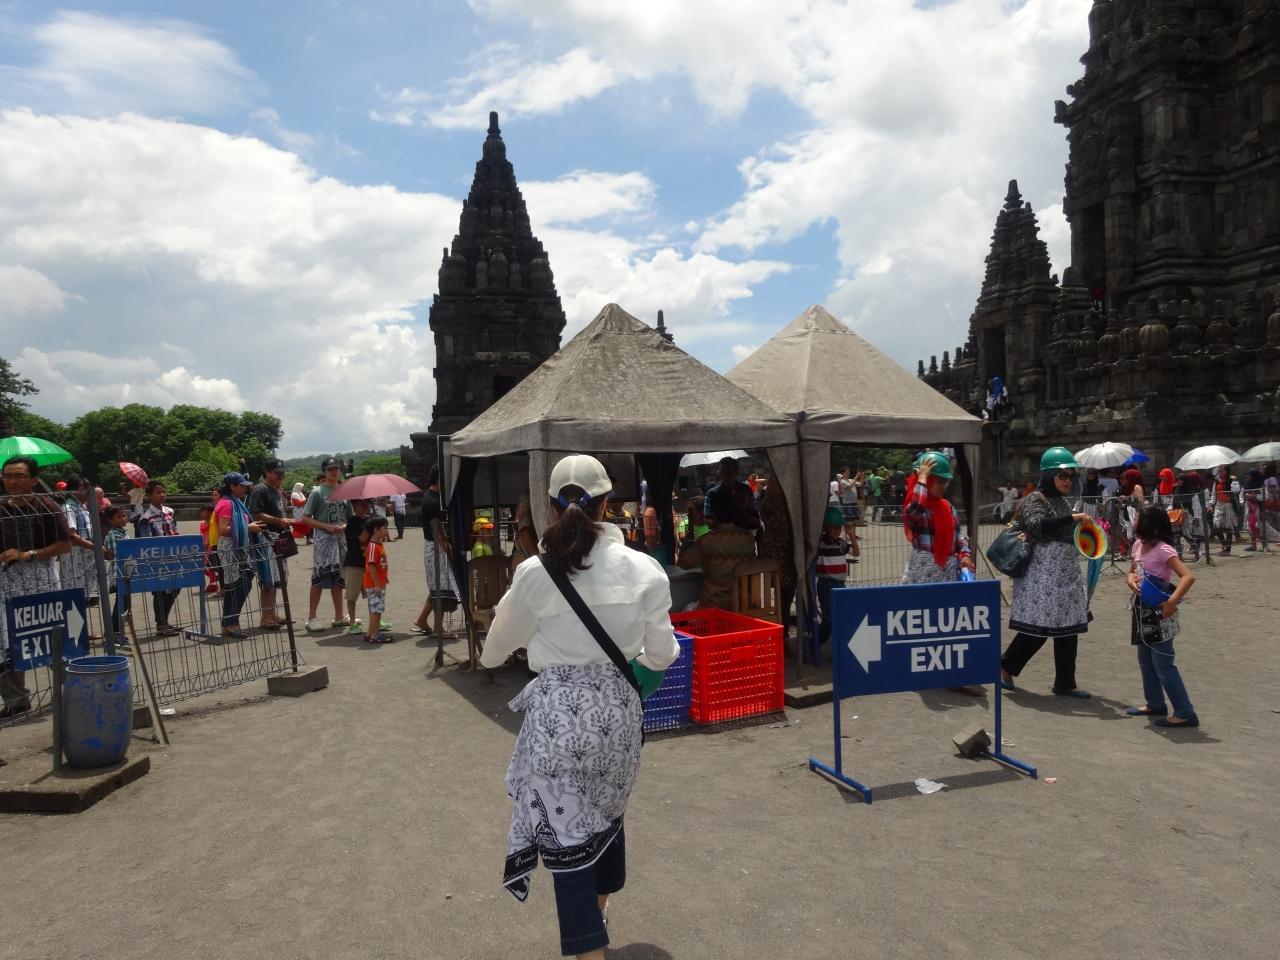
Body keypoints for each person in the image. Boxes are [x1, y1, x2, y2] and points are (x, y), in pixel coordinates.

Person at [479, 454, 678, 959]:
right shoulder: (644, 568)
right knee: (607, 811)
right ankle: (601, 909)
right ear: (608, 503)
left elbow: (493, 653)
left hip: (558, 724)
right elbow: (662, 654)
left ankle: (589, 950)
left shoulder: (534, 573)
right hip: (619, 716)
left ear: (549, 506)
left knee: (568, 842)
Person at [999, 447, 1096, 698]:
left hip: (1066, 574)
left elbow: (1068, 534)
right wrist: (1072, 519)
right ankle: (1005, 666)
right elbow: (1037, 525)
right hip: (1042, 575)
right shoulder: (1035, 499)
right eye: (1062, 475)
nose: (1067, 481)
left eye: (1070, 476)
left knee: (1069, 628)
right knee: (1037, 628)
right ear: (1049, 475)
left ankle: (1065, 682)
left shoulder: (1063, 502)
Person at [901, 453, 981, 696]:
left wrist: (965, 554)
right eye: (938, 481)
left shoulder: (948, 507)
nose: (943, 486)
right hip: (923, 572)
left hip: (947, 572)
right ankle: (919, 671)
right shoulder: (917, 506)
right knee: (921, 623)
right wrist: (921, 479)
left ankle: (953, 676)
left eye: (945, 482)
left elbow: (958, 536)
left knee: (948, 625)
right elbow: (913, 512)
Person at [0, 456, 71, 716]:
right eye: (7, 476)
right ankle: (15, 699)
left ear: (33, 480)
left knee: (49, 637)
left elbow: (65, 544)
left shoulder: (46, 506)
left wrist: (28, 554)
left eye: (18, 476)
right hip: (5, 581)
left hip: (39, 581)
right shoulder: (1, 507)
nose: (12, 481)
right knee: (4, 641)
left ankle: (72, 689)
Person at [1125, 506, 1198, 727]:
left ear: (1148, 524)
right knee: (1145, 660)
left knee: (1163, 663)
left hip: (1159, 611)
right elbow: (1132, 571)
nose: (1134, 522)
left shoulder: (1163, 549)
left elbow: (1187, 576)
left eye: (1137, 519)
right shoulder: (1138, 545)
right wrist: (1130, 580)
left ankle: (1185, 712)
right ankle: (1155, 703)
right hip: (1141, 610)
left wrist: (1172, 602)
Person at [676, 485, 757, 609]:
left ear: (713, 513)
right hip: (743, 606)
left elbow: (683, 563)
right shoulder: (748, 538)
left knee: (683, 610)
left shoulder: (708, 541)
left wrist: (691, 526)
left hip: (714, 606)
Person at [214, 472, 269, 639]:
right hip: (231, 549)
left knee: (238, 585)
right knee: (239, 585)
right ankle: (230, 623)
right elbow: (223, 529)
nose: (245, 489)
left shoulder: (234, 502)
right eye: (241, 486)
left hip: (238, 547)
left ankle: (229, 623)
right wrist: (248, 527)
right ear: (232, 487)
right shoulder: (227, 504)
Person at [302, 457, 353, 632]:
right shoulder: (317, 492)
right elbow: (306, 518)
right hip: (324, 538)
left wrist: (345, 525)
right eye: (330, 469)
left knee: (338, 577)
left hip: (340, 539)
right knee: (319, 576)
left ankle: (339, 615)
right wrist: (326, 526)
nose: (334, 471)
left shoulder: (345, 491)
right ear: (324, 472)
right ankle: (312, 617)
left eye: (336, 468)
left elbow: (349, 517)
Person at [413, 465, 459, 634]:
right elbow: (437, 531)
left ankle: (422, 619)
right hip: (437, 547)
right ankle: (438, 628)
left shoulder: (434, 497)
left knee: (439, 587)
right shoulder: (432, 501)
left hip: (436, 546)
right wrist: (447, 549)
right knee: (441, 589)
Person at [248, 459, 292, 628]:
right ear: (267, 472)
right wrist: (278, 521)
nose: (280, 476)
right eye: (277, 473)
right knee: (268, 578)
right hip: (266, 537)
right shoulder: (260, 489)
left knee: (276, 578)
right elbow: (256, 514)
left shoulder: (276, 490)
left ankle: (272, 613)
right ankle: (266, 617)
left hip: (278, 537)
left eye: (282, 473)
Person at [138, 480, 181, 637]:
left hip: (173, 557)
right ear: (150, 495)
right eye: (158, 492)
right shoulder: (146, 517)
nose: (162, 495)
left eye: (163, 492)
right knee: (160, 592)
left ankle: (165, 620)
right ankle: (160, 624)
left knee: (175, 587)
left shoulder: (170, 511)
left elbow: (175, 530)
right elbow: (147, 542)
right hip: (157, 560)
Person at [756, 479, 797, 641]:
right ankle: (782, 632)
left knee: (776, 596)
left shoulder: (765, 503)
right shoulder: (785, 506)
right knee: (786, 597)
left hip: (770, 555)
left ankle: (778, 630)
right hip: (784, 555)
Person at [813, 505, 850, 662]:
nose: (836, 531)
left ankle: (839, 650)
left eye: (838, 528)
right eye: (833, 527)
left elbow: (856, 552)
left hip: (841, 585)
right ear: (825, 528)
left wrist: (852, 536)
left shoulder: (841, 544)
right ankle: (816, 644)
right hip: (826, 585)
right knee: (829, 619)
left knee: (842, 617)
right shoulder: (819, 544)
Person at [60, 476, 101, 606]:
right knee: (75, 592)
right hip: (75, 553)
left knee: (86, 594)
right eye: (83, 489)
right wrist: (95, 547)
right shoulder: (69, 507)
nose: (87, 492)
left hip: (86, 552)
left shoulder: (82, 506)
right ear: (73, 491)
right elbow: (72, 535)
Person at [101, 504, 131, 644]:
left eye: (124, 515)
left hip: (127, 572)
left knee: (124, 603)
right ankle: (114, 632)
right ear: (110, 520)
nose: (123, 518)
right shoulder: (113, 535)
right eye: (119, 517)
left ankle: (117, 631)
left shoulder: (123, 533)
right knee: (121, 604)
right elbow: (119, 555)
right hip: (119, 573)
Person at [341, 499, 371, 635]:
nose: (365, 506)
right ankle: (352, 623)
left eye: (367, 503)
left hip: (369, 562)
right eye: (361, 504)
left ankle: (375, 619)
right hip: (354, 562)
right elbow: (362, 538)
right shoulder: (352, 522)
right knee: (352, 595)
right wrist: (369, 526)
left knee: (372, 593)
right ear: (354, 505)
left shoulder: (370, 520)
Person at [704, 456, 759, 530]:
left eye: (730, 472)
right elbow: (706, 517)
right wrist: (712, 523)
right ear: (718, 473)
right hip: (721, 534)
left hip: (745, 533)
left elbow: (756, 515)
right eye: (722, 472)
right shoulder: (711, 494)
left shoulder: (745, 490)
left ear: (736, 472)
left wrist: (745, 511)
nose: (726, 476)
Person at [363, 516, 392, 644]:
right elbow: (371, 566)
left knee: (376, 609)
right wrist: (377, 584)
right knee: (376, 610)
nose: (386, 531)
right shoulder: (373, 546)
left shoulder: (378, 545)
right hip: (375, 584)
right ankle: (375, 635)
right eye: (384, 528)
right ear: (376, 530)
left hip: (379, 582)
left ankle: (370, 633)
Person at [1211, 464, 1236, 555]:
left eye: (1222, 470)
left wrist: (1232, 481)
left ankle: (1227, 550)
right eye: (1219, 470)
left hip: (1228, 505)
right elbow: (1214, 494)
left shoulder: (1231, 480)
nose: (1220, 472)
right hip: (1219, 504)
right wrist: (1211, 504)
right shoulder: (1217, 481)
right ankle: (1224, 544)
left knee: (1228, 528)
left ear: (1227, 471)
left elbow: (1236, 491)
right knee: (1215, 526)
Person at [510, 493, 539, 572]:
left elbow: (534, 556)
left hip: (527, 571)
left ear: (526, 508)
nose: (516, 510)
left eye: (519, 506)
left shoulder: (526, 531)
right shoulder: (524, 530)